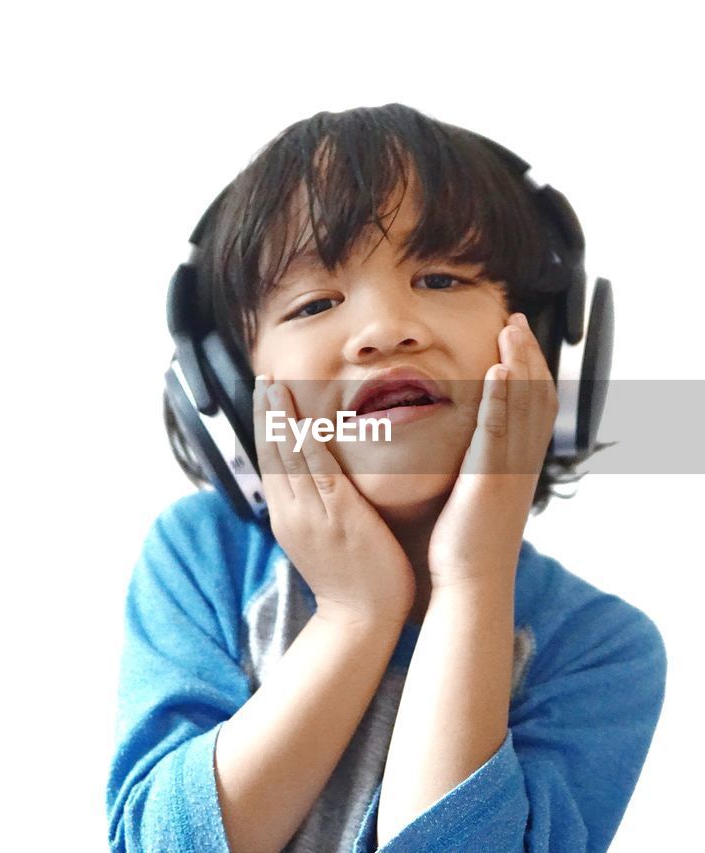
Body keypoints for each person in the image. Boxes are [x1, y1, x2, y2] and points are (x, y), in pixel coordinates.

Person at [106, 103, 666, 852]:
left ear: (536, 340)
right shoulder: (204, 560)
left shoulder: (596, 646)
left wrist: (473, 580)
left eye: (439, 277)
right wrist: (354, 613)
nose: (384, 329)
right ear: (234, 391)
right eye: (314, 303)